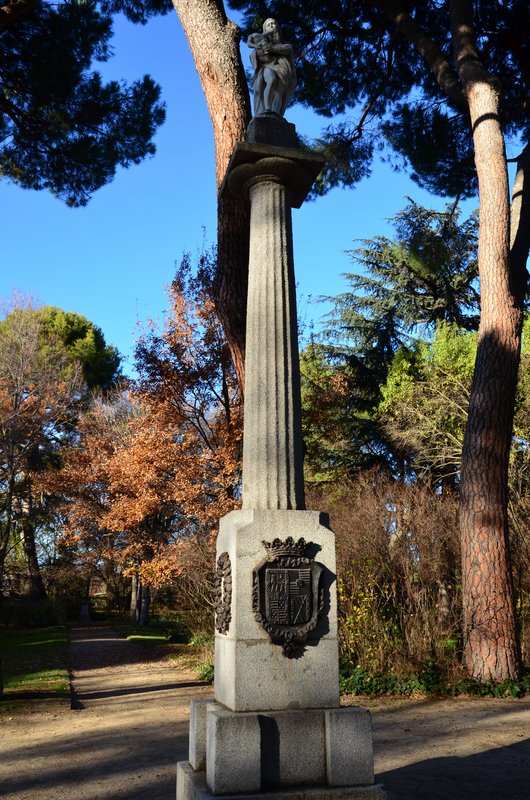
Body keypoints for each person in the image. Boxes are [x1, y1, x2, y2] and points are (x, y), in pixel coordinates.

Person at [247, 19, 297, 118]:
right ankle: (267, 108)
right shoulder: (261, 42)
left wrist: (272, 49)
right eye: (269, 24)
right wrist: (260, 51)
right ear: (265, 29)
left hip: (283, 71)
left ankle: (275, 114)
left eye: (274, 24)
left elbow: (287, 50)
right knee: (271, 79)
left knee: (278, 93)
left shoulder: (284, 45)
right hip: (267, 67)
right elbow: (253, 55)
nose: (272, 26)